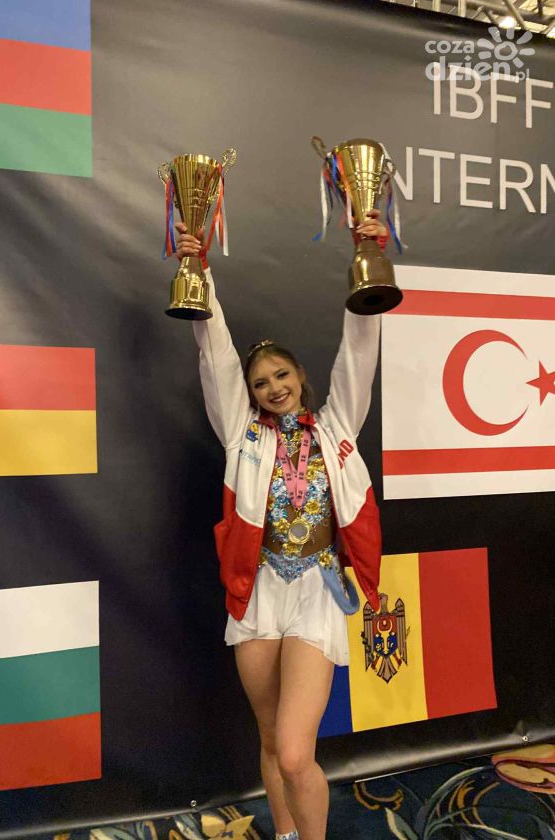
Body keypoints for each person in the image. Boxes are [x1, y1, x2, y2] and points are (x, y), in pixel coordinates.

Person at [176, 210, 388, 840]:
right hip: (259, 590)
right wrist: (197, 270)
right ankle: (288, 835)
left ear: (301, 378)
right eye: (260, 383)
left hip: (318, 590)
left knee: (297, 753)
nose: (272, 388)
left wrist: (369, 261)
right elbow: (215, 354)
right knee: (270, 741)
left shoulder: (338, 426)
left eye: (282, 376)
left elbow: (359, 353)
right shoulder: (242, 436)